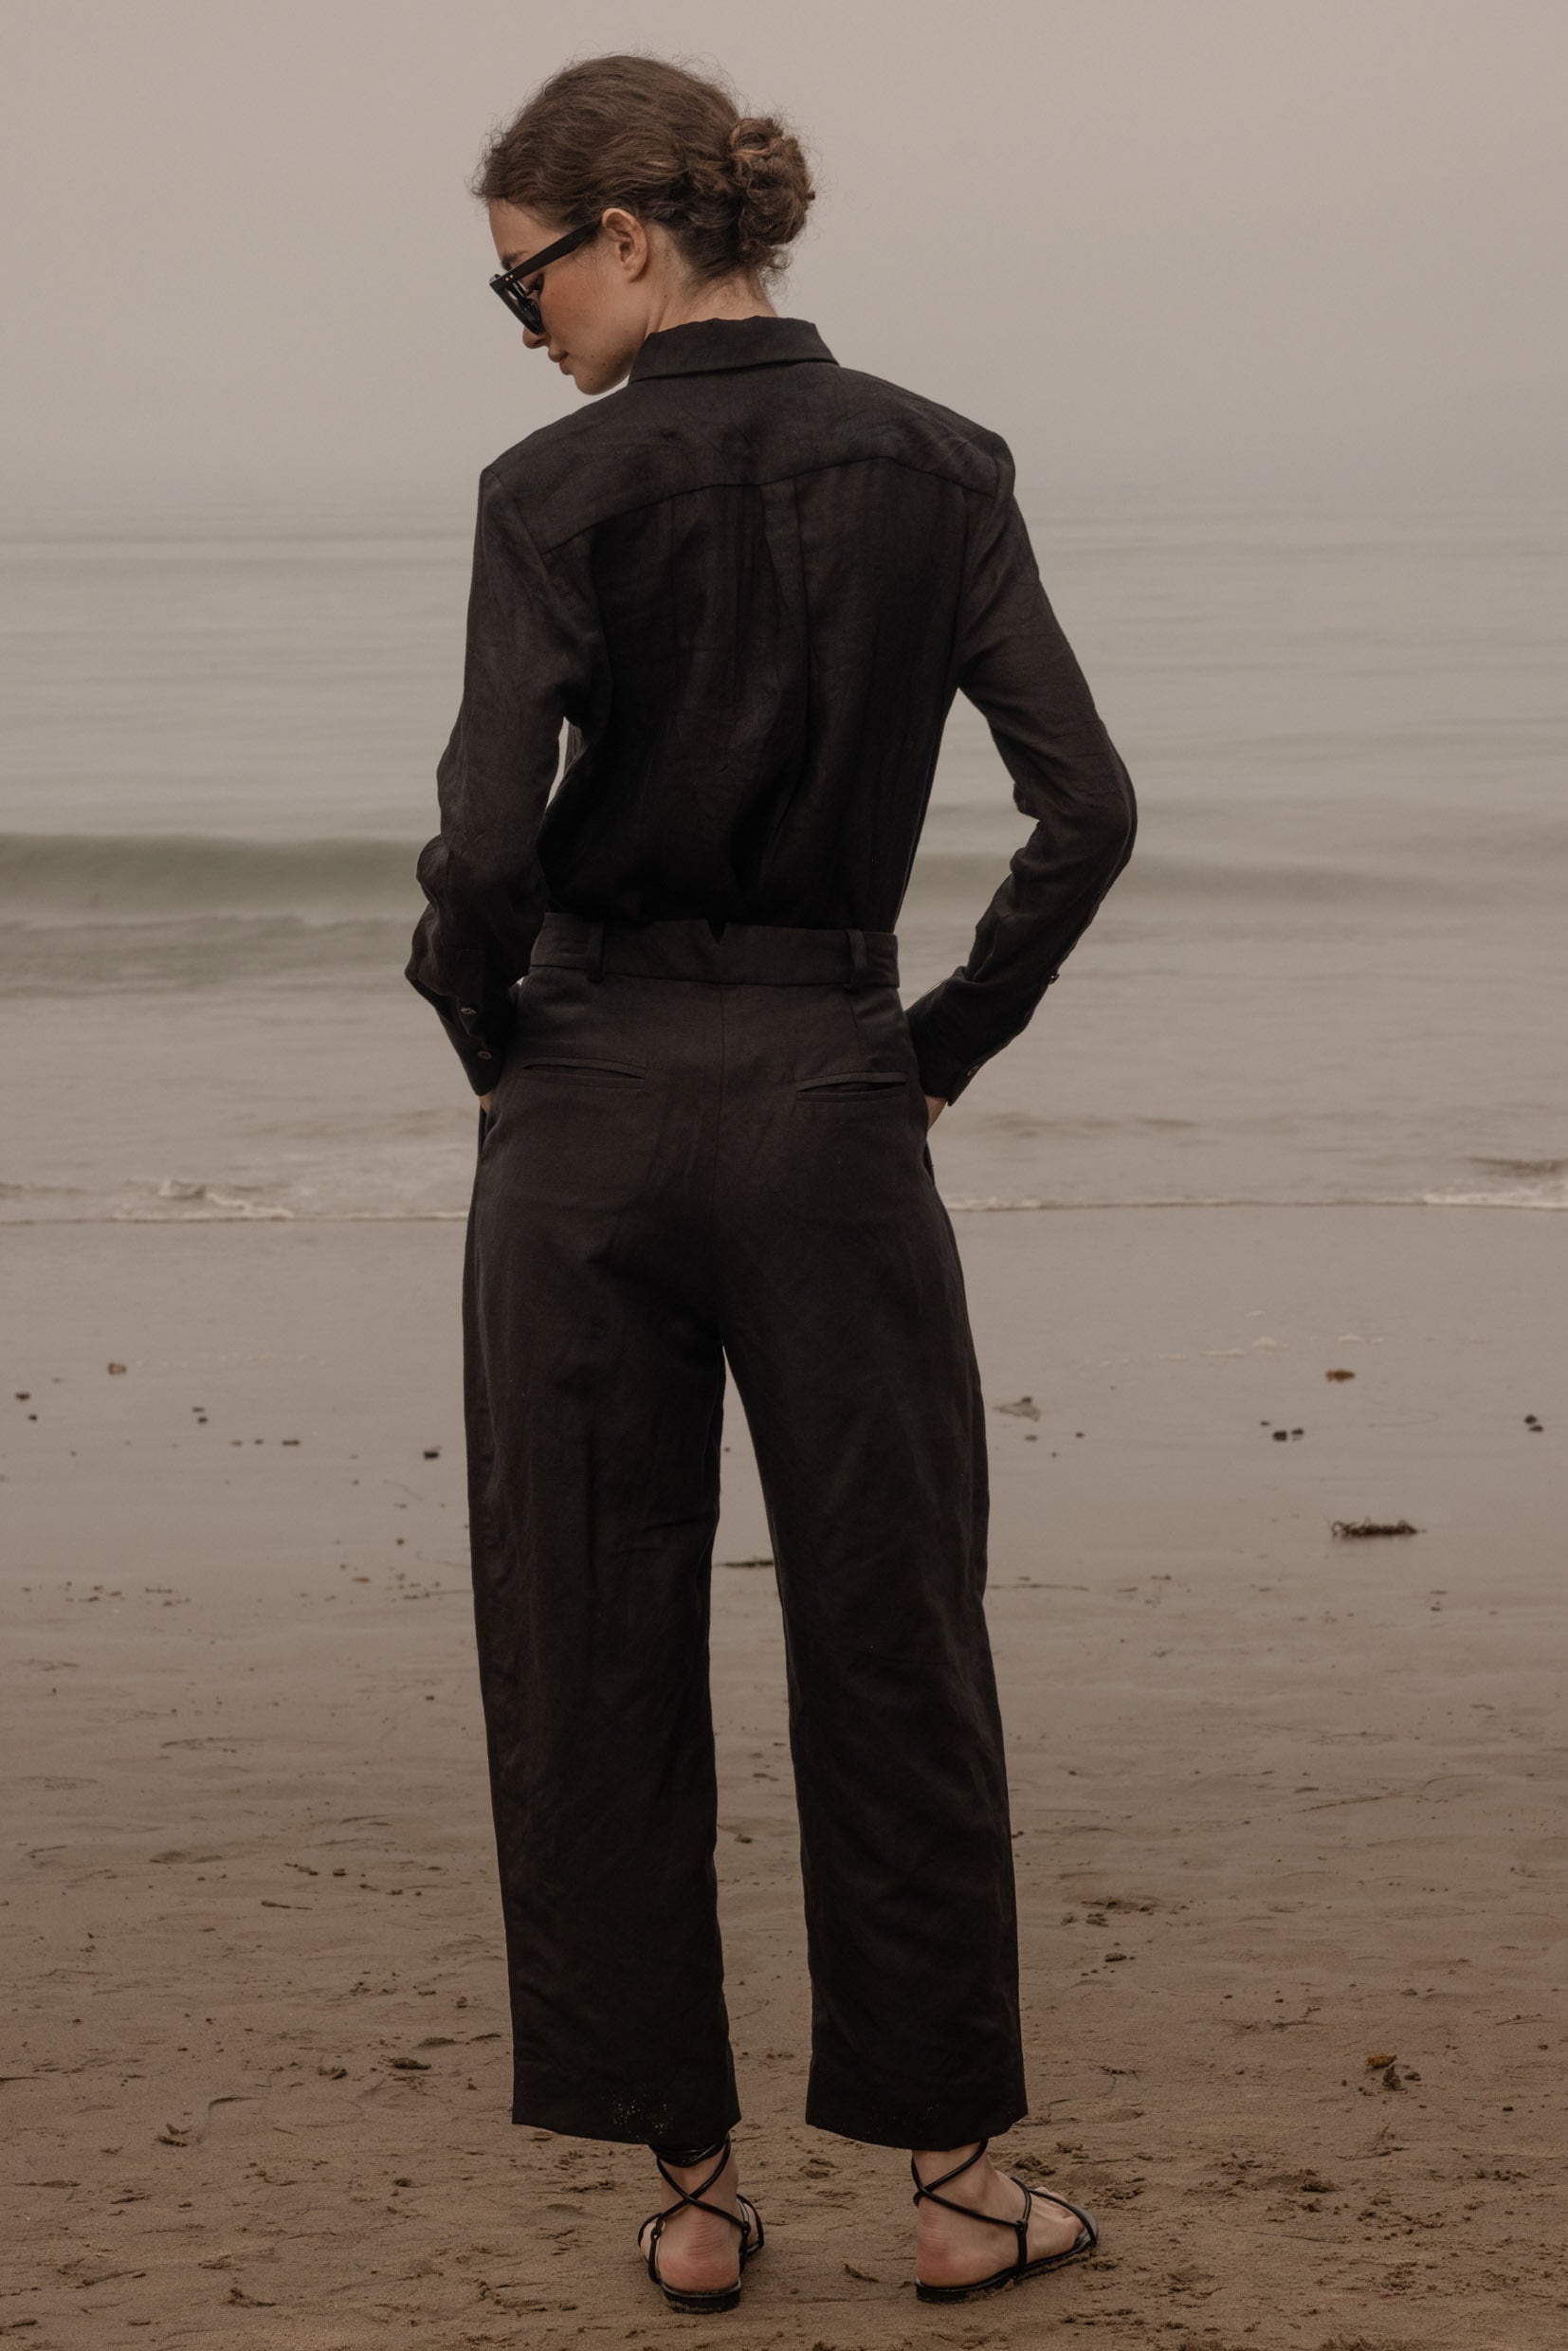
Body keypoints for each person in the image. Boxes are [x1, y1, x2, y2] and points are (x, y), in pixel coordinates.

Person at [406, 50, 1135, 2316]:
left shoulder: (547, 488)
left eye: (522, 278)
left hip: (590, 1102)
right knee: (893, 1625)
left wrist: (502, 1047)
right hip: (830, 1093)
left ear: (625, 237)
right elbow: (1085, 808)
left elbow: (483, 850)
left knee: (585, 1628)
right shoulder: (941, 463)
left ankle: (696, 2194)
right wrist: (930, 1053)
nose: (522, 321)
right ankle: (953, 2185)